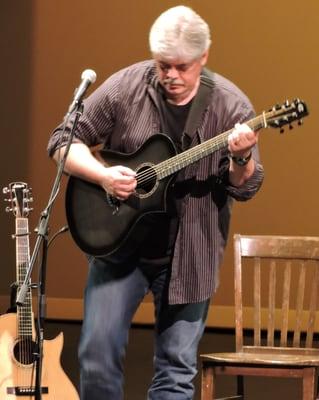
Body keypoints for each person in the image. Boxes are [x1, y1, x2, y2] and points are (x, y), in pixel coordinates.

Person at [47, 6, 264, 399]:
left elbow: (244, 187)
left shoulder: (231, 107)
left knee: (175, 373)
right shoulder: (127, 86)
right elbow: (63, 140)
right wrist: (103, 176)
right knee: (96, 356)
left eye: (182, 67)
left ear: (204, 58)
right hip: (117, 248)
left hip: (189, 256)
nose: (171, 77)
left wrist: (241, 157)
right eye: (163, 65)